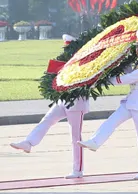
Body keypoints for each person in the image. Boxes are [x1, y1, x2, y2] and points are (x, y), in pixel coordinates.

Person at [10, 34, 91, 179]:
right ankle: (29, 142)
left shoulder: (83, 63)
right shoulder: (64, 62)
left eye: (68, 47)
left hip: (76, 103)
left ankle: (78, 170)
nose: (65, 50)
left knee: (75, 137)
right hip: (63, 100)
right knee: (47, 119)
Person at [79, 31, 138, 180]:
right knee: (112, 120)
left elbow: (130, 78)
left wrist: (109, 80)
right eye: (136, 47)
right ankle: (95, 142)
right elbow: (128, 72)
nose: (137, 50)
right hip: (131, 101)